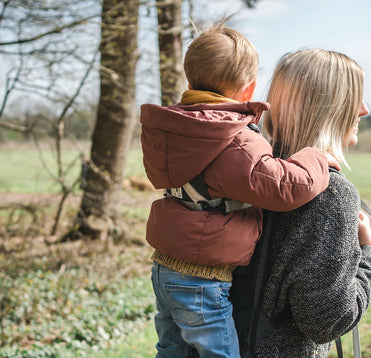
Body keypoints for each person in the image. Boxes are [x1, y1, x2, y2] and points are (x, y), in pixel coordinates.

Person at [140, 25, 334, 358]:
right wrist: (316, 156)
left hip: (164, 269)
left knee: (171, 350)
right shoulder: (232, 140)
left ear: (190, 82)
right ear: (250, 89)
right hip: (201, 279)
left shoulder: (173, 130)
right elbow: (284, 187)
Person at [250, 49, 371, 357]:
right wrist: (370, 255)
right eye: (355, 98)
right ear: (328, 108)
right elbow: (328, 319)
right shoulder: (330, 194)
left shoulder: (252, 172)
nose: (363, 110)